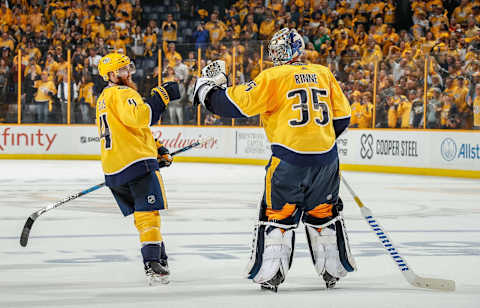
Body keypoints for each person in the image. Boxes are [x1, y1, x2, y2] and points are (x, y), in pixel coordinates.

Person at [193, 28, 356, 292]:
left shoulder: (273, 77)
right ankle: (332, 270)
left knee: (278, 216)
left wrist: (206, 89)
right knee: (323, 213)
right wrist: (319, 140)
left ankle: (271, 273)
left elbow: (231, 107)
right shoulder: (323, 73)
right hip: (327, 160)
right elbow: (342, 118)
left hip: (289, 160)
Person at [96, 53, 180, 285]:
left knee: (145, 213)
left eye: (129, 68)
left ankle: (159, 259)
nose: (128, 73)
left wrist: (157, 149)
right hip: (135, 162)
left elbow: (132, 130)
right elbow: (142, 117)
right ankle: (152, 262)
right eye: (122, 71)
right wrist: (160, 97)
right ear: (111, 75)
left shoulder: (105, 97)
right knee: (148, 214)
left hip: (115, 166)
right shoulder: (124, 93)